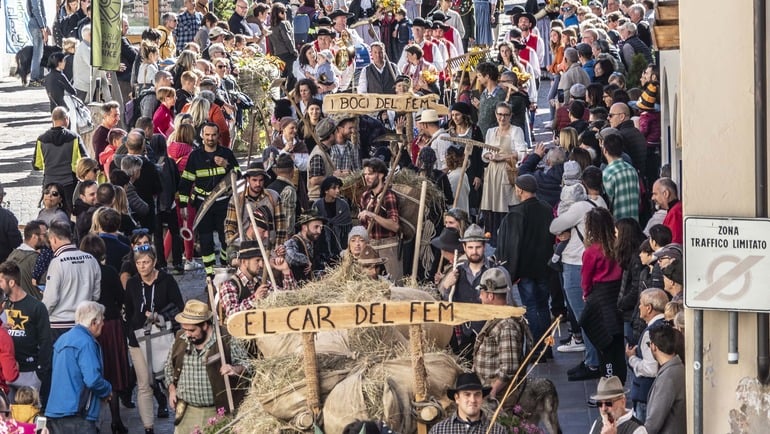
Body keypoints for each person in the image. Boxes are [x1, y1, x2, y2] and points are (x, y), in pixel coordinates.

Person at [165, 300, 251, 434]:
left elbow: (248, 365)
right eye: (185, 329)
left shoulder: (225, 338)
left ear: (205, 325)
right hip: (187, 413)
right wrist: (171, 390)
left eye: (192, 330)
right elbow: (169, 368)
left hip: (218, 412)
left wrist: (234, 369)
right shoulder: (180, 339)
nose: (187, 334)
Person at [124, 246, 183, 434]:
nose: (142, 266)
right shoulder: (132, 283)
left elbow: (179, 307)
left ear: (155, 262)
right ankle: (148, 428)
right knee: (144, 384)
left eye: (146, 262)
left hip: (163, 338)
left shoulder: (167, 280)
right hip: (138, 340)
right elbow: (128, 310)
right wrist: (130, 333)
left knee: (169, 380)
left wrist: (160, 316)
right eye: (139, 263)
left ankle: (181, 423)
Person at [78, 234, 130, 434]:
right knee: (112, 373)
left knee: (92, 371)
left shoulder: (81, 273)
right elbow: (121, 297)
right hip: (110, 324)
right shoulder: (108, 271)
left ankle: (93, 420)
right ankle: (116, 419)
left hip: (87, 324)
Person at [496, 175, 554, 352]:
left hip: (526, 269)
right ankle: (546, 347)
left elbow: (513, 245)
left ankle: (536, 348)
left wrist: (511, 272)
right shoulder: (546, 208)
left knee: (531, 307)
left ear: (519, 190)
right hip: (544, 267)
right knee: (543, 307)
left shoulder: (517, 213)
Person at [179, 122, 240, 276]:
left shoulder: (227, 153)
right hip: (203, 204)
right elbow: (186, 181)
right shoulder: (195, 156)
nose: (210, 138)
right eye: (207, 135)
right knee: (206, 241)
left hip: (223, 203)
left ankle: (225, 267)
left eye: (213, 135)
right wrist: (183, 205)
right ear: (202, 136)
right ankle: (210, 275)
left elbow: (239, 176)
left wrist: (227, 165)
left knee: (226, 239)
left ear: (218, 136)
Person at [44, 301, 112, 434]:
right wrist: (107, 390)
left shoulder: (62, 339)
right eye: (102, 321)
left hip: (56, 410)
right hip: (78, 412)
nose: (103, 324)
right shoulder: (86, 342)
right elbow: (93, 379)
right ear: (93, 322)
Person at [579, 207, 626, 383]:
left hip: (599, 295)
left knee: (604, 342)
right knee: (617, 343)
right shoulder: (618, 246)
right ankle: (620, 380)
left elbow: (586, 278)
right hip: (616, 294)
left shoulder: (591, 252)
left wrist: (586, 293)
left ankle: (609, 381)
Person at [472, 268, 531, 402]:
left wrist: (492, 393)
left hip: (499, 398)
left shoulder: (506, 325)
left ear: (490, 296)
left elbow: (509, 368)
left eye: (481, 293)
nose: (480, 297)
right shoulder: (497, 318)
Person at [436, 224, 492, 362]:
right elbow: (445, 301)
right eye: (470, 247)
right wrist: (446, 284)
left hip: (489, 335)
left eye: (478, 247)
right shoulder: (457, 270)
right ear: (464, 248)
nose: (474, 251)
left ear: (484, 247)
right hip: (464, 336)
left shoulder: (494, 271)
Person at [42, 221, 101, 342]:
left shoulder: (57, 262)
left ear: (54, 239)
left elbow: (51, 298)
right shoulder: (91, 259)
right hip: (85, 321)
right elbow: (96, 295)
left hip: (60, 323)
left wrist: (41, 316)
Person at [480, 102, 525, 246]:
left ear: (510, 116)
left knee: (505, 203)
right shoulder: (490, 132)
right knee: (491, 203)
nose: (502, 118)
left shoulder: (516, 131)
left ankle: (506, 237)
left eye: (506, 115)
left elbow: (522, 153)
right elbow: (484, 151)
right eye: (500, 114)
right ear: (496, 115)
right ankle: (492, 238)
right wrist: (489, 156)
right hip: (492, 172)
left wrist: (503, 157)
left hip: (507, 172)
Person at [625, 288, 667, 423]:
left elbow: (651, 368)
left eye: (641, 304)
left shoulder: (651, 333)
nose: (639, 307)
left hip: (646, 394)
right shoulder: (667, 324)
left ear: (649, 308)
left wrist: (632, 358)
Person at [33, 107, 87, 210]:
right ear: (66, 119)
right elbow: (85, 160)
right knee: (68, 212)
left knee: (50, 212)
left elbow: (36, 165)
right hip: (69, 183)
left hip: (49, 183)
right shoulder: (74, 137)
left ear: (52, 119)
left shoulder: (41, 139)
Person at [358, 158, 402, 281]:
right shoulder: (365, 196)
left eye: (371, 174)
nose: (367, 177)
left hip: (388, 246)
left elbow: (395, 226)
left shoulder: (388, 196)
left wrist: (372, 215)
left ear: (381, 175)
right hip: (371, 246)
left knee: (393, 284)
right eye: (365, 174)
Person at [428, 372, 507, 434]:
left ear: (482, 398)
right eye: (467, 394)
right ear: (457, 398)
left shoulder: (497, 431)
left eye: (477, 394)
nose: (472, 400)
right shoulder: (439, 430)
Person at [645, 325, 686, 434]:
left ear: (654, 346)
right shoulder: (678, 369)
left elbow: (653, 423)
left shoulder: (668, 377)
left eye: (649, 344)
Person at [600, 130, 639, 221]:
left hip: (618, 223)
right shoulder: (632, 170)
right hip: (635, 221)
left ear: (605, 150)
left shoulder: (607, 173)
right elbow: (638, 199)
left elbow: (608, 202)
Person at [6, 221, 47, 299]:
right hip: (35, 304)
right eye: (44, 235)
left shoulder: (12, 255)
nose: (47, 238)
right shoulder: (38, 260)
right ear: (34, 237)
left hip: (14, 303)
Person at [285, 211, 326, 282]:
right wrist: (306, 260)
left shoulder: (315, 242)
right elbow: (290, 256)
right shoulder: (294, 241)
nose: (319, 231)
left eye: (321, 228)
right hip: (296, 286)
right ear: (304, 227)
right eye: (316, 227)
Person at [651, 178, 682, 244]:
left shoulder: (675, 213)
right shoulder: (675, 210)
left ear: (666, 193)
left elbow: (674, 244)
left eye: (655, 194)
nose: (652, 198)